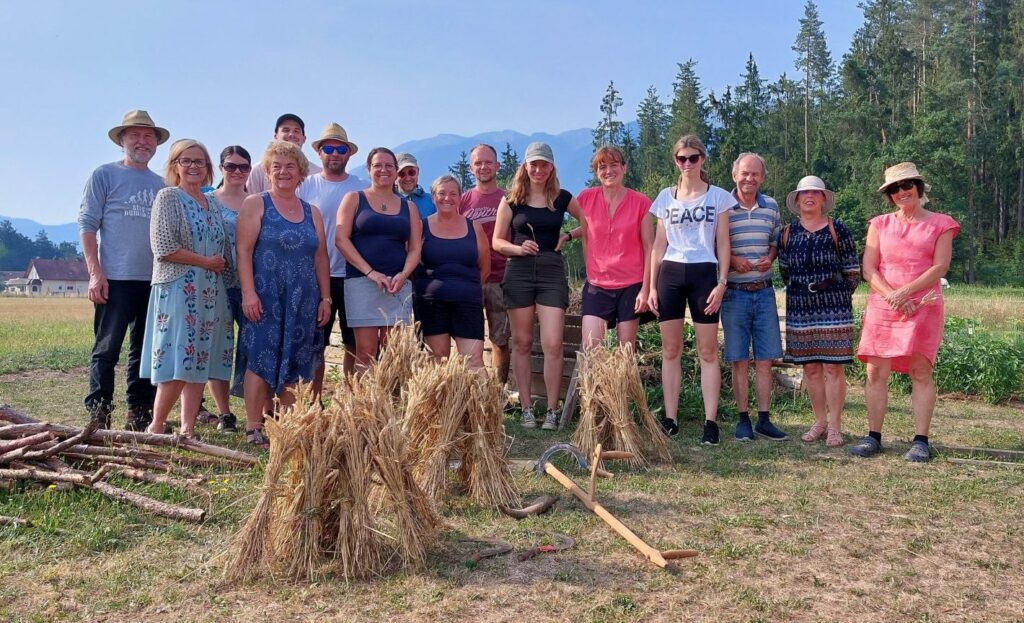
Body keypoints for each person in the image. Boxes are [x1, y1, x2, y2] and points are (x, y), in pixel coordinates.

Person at [853, 163, 959, 462]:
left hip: (923, 305)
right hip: (884, 305)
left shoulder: (942, 223)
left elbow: (940, 267)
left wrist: (907, 293)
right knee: (875, 371)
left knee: (921, 370)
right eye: (894, 189)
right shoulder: (879, 224)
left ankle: (921, 441)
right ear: (889, 195)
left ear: (919, 186)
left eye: (907, 185)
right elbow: (869, 268)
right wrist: (894, 296)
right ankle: (873, 436)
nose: (902, 192)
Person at [236, 141, 331, 447]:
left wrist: (325, 298)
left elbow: (321, 258)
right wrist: (249, 293)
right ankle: (253, 426)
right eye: (276, 166)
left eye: (290, 166)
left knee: (297, 357)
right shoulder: (256, 203)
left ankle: (287, 425)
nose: (283, 172)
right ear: (267, 171)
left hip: (304, 299)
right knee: (260, 357)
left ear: (301, 172)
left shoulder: (312, 212)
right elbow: (244, 250)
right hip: (266, 296)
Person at [78, 110, 169, 431]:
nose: (143, 142)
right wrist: (95, 272)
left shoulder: (162, 184)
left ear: (156, 144)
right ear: (122, 140)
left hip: (154, 281)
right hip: (114, 278)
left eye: (149, 136)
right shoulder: (104, 175)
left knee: (145, 353)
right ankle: (99, 413)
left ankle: (140, 412)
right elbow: (88, 226)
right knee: (106, 349)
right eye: (136, 135)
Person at [140, 140, 234, 437]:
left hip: (211, 290)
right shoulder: (168, 197)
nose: (193, 166)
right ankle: (156, 426)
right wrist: (206, 261)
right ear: (175, 165)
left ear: (208, 168)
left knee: (200, 359)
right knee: (180, 356)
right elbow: (164, 247)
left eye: (200, 162)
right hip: (180, 286)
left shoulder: (213, 203)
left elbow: (225, 249)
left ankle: (187, 429)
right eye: (186, 161)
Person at [492, 142, 585, 431]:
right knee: (521, 342)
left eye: (544, 164)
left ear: (552, 167)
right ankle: (527, 408)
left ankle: (553, 410)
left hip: (551, 271)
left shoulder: (562, 197)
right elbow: (497, 241)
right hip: (519, 271)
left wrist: (568, 236)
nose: (538, 169)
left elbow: (590, 223)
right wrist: (518, 249)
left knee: (553, 343)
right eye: (534, 164)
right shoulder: (511, 200)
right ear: (525, 166)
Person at [647, 135, 732, 445]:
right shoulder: (665, 197)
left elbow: (723, 243)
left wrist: (722, 283)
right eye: (681, 159)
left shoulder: (719, 197)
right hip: (670, 272)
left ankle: (711, 421)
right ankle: (670, 418)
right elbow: (658, 244)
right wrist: (652, 286)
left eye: (693, 158)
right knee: (671, 350)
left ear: (702, 160)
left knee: (708, 352)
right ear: (675, 161)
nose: (687, 164)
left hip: (704, 273)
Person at [777, 175, 860, 448]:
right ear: (797, 200)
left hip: (834, 307)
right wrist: (805, 293)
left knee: (834, 368)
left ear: (824, 198)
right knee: (811, 368)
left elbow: (852, 271)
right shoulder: (787, 233)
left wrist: (833, 295)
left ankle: (835, 425)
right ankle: (820, 421)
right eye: (804, 193)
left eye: (815, 192)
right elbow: (786, 271)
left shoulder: (839, 229)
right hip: (800, 307)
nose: (809, 197)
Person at [336, 147, 423, 370]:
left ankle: (391, 403)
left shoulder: (409, 207)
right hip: (361, 282)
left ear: (395, 171)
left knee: (394, 352)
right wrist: (370, 273)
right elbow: (341, 240)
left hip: (397, 286)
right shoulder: (354, 199)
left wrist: (404, 275)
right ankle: (365, 404)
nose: (383, 170)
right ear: (369, 170)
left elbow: (414, 248)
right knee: (365, 351)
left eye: (389, 166)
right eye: (377, 165)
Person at [722, 153, 788, 442]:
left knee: (765, 359)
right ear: (734, 174)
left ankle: (764, 418)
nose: (749, 179)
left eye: (755, 174)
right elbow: (715, 244)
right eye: (744, 173)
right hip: (734, 293)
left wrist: (769, 258)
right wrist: (734, 259)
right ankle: (742, 419)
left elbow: (776, 240)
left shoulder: (771, 206)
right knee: (738, 359)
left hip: (763, 292)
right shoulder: (723, 206)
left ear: (763, 177)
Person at [562, 145, 653, 349]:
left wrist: (646, 289)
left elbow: (650, 247)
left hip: (631, 285)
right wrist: (567, 235)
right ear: (596, 172)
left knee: (625, 351)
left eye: (614, 165)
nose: (609, 171)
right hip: (597, 283)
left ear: (624, 168)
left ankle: (623, 383)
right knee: (591, 348)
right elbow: (589, 227)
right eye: (602, 167)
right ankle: (594, 383)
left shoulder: (641, 203)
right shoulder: (586, 198)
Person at [298, 123, 366, 389]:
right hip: (317, 275)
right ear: (319, 153)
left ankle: (349, 403)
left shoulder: (361, 187)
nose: (334, 153)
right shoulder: (305, 186)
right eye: (329, 148)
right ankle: (314, 402)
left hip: (352, 274)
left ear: (349, 154)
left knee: (353, 343)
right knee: (317, 343)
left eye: (340, 149)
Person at [199, 145, 252, 433]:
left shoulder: (256, 202)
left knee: (249, 347)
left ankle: (257, 409)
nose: (237, 172)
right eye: (231, 166)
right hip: (214, 283)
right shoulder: (207, 201)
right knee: (218, 347)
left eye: (243, 167)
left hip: (248, 285)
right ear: (221, 168)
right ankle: (225, 413)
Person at [415, 175, 490, 369]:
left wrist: (466, 287)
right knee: (437, 360)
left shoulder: (474, 227)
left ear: (460, 197)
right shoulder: (420, 227)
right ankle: (439, 401)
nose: (447, 198)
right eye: (441, 193)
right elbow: (412, 264)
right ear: (433, 197)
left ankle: (479, 400)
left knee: (473, 360)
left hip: (468, 302)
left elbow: (485, 267)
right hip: (431, 303)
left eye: (452, 194)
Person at [460, 144, 511, 383]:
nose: (483, 167)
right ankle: (470, 390)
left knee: (500, 339)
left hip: (501, 279)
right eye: (478, 163)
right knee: (468, 338)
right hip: (470, 279)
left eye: (488, 162)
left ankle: (499, 392)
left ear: (497, 166)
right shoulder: (463, 201)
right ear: (471, 168)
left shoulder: (509, 198)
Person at [246, 114, 321, 195]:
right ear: (275, 136)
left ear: (304, 139)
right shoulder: (258, 170)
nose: (291, 134)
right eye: (286, 130)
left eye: (296, 131)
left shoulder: (317, 173)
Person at [395, 152, 437, 217]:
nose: (408, 178)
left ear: (418, 172)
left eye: (411, 172)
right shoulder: (388, 201)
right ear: (395, 175)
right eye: (402, 174)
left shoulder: (432, 201)